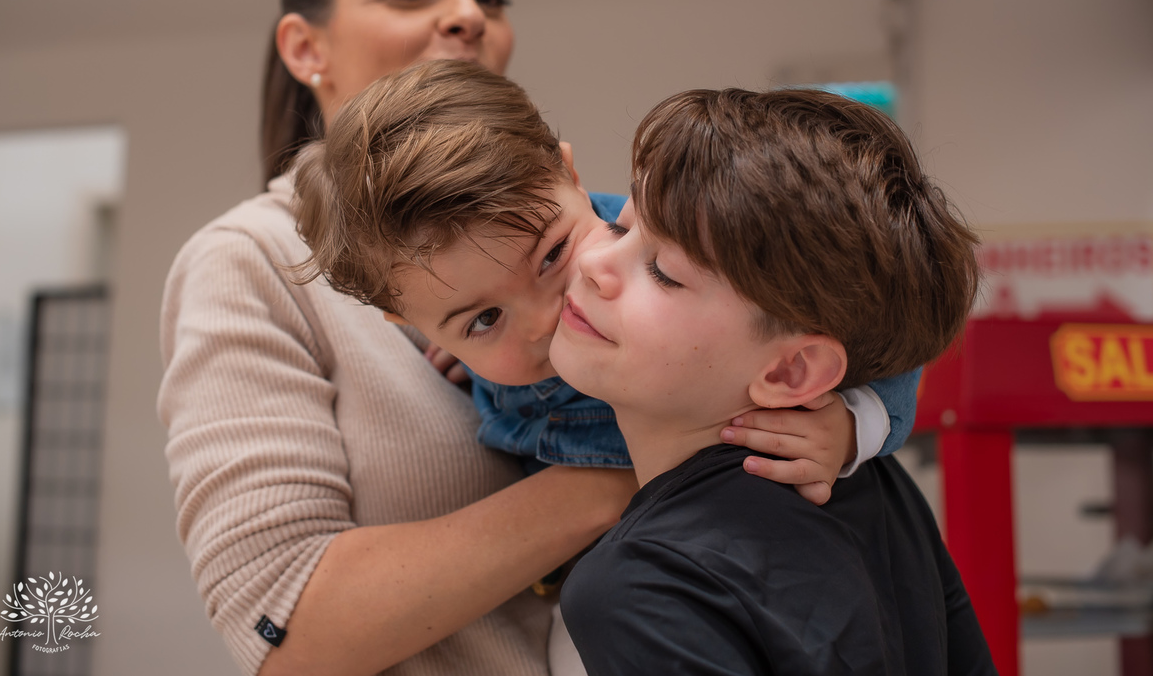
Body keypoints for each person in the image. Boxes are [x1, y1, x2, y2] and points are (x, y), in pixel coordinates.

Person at [157, 0, 869, 676]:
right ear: (304, 47)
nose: (468, 13)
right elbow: (283, 625)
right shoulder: (249, 262)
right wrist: (649, 458)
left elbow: (828, 345)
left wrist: (851, 422)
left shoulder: (603, 237)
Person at [292, 59, 920, 490]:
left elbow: (880, 321)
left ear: (569, 175)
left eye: (550, 256)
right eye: (485, 317)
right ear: (409, 322)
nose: (545, 318)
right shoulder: (459, 325)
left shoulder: (672, 248)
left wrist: (852, 425)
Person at [553, 88, 997, 674]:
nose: (591, 263)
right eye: (617, 226)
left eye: (664, 272)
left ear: (792, 371)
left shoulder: (642, 582)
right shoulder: (877, 487)